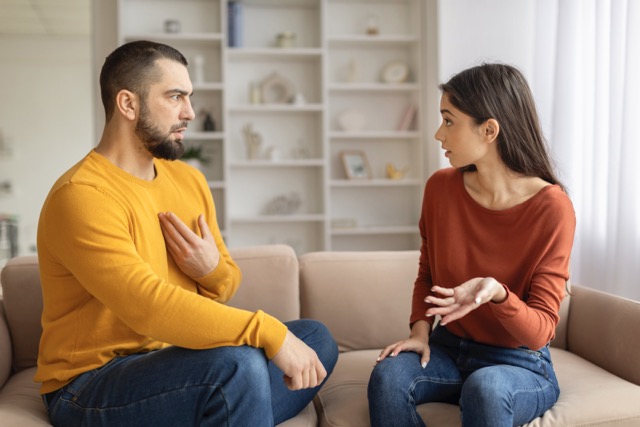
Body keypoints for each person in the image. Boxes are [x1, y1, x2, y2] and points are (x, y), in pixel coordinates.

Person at [35, 40, 338, 427]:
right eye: (176, 96)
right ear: (128, 104)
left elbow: (226, 283)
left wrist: (208, 270)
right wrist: (268, 331)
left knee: (315, 339)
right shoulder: (82, 195)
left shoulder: (188, 180)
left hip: (180, 363)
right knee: (238, 364)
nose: (190, 112)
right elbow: (148, 307)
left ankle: (226, 408)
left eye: (189, 97)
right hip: (90, 385)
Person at [367, 63, 576, 427]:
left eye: (448, 121)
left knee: (487, 386)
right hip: (449, 348)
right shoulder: (440, 189)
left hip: (519, 362)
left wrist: (497, 293)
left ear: (489, 130)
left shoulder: (552, 208)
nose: (438, 133)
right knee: (388, 376)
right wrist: (420, 332)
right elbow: (427, 273)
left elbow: (541, 330)